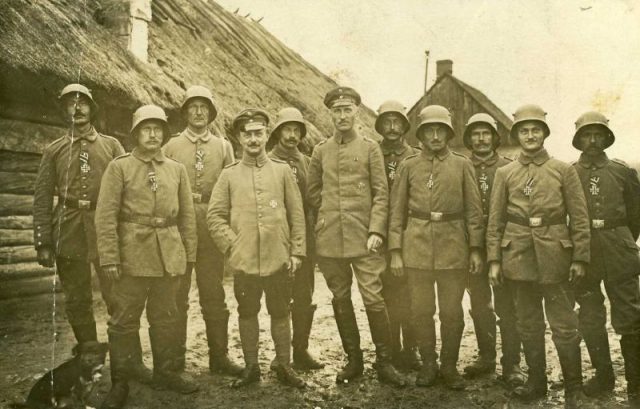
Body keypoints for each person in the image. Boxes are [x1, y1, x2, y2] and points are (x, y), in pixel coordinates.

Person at [33, 84, 153, 384]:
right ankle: (91, 367)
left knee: (120, 296)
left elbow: (130, 188)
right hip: (68, 231)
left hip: (106, 230)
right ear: (63, 110)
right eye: (70, 103)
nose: (77, 108)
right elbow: (42, 196)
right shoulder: (54, 150)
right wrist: (44, 241)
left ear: (92, 108)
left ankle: (130, 363)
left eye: (83, 102)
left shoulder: (112, 146)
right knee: (77, 300)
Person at [486, 104, 593, 408]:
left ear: (544, 133)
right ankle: (536, 383)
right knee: (528, 323)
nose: (530, 135)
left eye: (535, 130)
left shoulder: (563, 170)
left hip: (556, 258)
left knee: (563, 324)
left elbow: (579, 217)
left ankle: (574, 388)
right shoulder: (505, 173)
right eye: (524, 130)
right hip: (518, 256)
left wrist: (580, 258)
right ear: (516, 134)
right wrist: (494, 260)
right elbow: (495, 221)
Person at [96, 105, 199, 409]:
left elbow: (187, 218)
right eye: (146, 129)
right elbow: (105, 216)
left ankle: (166, 372)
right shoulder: (120, 167)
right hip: (131, 257)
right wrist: (110, 257)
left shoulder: (177, 169)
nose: (153, 135)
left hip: (169, 256)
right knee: (124, 321)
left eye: (158, 129)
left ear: (165, 134)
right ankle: (121, 382)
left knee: (166, 316)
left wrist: (188, 255)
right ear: (136, 134)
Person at [307, 87, 405, 387]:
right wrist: (326, 217)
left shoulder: (369, 149)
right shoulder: (321, 150)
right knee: (339, 297)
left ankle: (385, 362)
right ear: (330, 114)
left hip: (365, 239)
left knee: (373, 297)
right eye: (336, 111)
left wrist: (376, 230)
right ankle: (354, 360)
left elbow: (381, 194)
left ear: (356, 112)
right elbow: (313, 192)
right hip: (331, 240)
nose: (342, 116)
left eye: (347, 110)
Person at [207, 108, 307, 388]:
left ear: (266, 135)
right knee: (247, 311)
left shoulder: (283, 171)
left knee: (280, 310)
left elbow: (296, 213)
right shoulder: (228, 175)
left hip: (278, 257)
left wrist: (297, 250)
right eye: (247, 134)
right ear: (239, 138)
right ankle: (251, 367)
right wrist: (232, 245)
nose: (253, 139)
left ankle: (284, 366)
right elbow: (214, 216)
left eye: (258, 133)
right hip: (245, 258)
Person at [388, 105, 484, 390]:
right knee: (420, 309)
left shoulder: (462, 164)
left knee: (451, 312)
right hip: (416, 247)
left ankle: (449, 366)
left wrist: (476, 249)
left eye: (440, 130)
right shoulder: (408, 166)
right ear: (421, 134)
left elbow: (474, 211)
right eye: (429, 130)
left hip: (453, 247)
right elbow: (396, 211)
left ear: (448, 133)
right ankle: (428, 364)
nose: (434, 136)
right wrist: (395, 251)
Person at [162, 85, 241, 375]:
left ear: (210, 113)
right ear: (185, 112)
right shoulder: (170, 146)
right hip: (180, 227)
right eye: (193, 106)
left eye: (203, 107)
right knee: (177, 293)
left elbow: (233, 187)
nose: (198, 112)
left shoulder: (223, 147)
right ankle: (175, 358)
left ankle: (219, 357)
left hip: (210, 226)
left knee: (213, 292)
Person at [571, 111, 640, 405]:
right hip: (584, 251)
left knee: (629, 315)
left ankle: (636, 382)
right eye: (587, 135)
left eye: (598, 134)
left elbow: (636, 213)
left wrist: (623, 241)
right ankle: (603, 375)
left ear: (607, 137)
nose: (593, 141)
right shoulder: (570, 172)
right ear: (578, 139)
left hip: (618, 247)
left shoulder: (622, 171)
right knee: (589, 314)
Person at [461, 113, 526, 386]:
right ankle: (486, 357)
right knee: (479, 303)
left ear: (495, 137)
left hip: (503, 245)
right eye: (475, 134)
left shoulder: (509, 167)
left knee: (507, 305)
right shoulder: (461, 167)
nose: (481, 139)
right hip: (471, 244)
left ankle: (511, 364)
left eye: (486, 133)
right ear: (468, 139)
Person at [267, 107, 324, 370]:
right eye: (286, 130)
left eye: (296, 130)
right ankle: (281, 356)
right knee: (279, 295)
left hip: (305, 238)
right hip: (278, 236)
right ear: (278, 132)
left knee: (304, 295)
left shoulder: (308, 162)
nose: (291, 135)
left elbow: (314, 198)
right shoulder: (267, 161)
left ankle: (300, 350)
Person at [374, 100, 421, 370]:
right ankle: (389, 349)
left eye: (397, 122)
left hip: (410, 232)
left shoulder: (414, 156)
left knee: (412, 293)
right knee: (386, 292)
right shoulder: (372, 153)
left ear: (404, 126)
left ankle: (411, 349)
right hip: (380, 232)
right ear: (380, 126)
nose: (392, 128)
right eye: (387, 122)